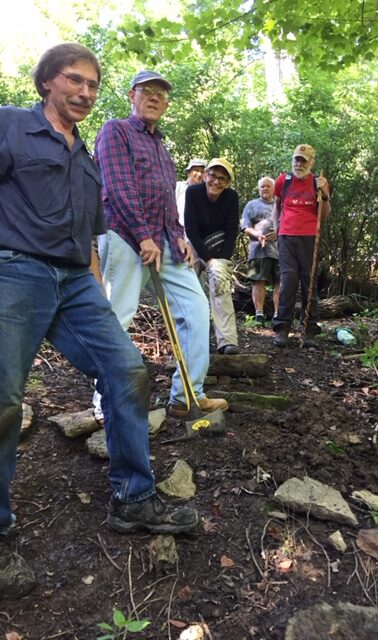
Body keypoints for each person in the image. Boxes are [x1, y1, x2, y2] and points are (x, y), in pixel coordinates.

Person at [0, 44, 198, 600]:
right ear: (45, 82)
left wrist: (95, 286)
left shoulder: (87, 161)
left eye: (92, 84)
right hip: (15, 271)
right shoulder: (11, 127)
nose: (85, 92)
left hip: (75, 281)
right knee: (4, 399)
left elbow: (91, 236)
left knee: (128, 371)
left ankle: (134, 498)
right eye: (74, 80)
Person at [93, 71, 227, 420]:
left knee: (197, 310)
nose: (154, 97)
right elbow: (118, 188)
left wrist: (179, 235)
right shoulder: (115, 131)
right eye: (146, 91)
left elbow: (168, 200)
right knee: (118, 316)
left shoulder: (161, 147)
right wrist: (142, 235)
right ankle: (105, 405)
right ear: (131, 95)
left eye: (160, 94)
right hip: (125, 236)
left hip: (165, 241)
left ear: (166, 105)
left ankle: (187, 395)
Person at [271, 144, 331, 348]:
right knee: (288, 280)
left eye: (303, 160)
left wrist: (324, 194)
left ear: (311, 162)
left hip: (309, 238)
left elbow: (324, 215)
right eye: (296, 159)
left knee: (309, 282)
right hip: (286, 237)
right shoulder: (283, 181)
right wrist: (277, 229)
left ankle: (309, 330)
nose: (299, 163)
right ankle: (282, 328)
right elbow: (277, 207)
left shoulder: (319, 182)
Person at [184, 158, 240, 355]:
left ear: (228, 183)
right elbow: (190, 229)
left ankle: (227, 340)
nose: (216, 182)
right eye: (213, 176)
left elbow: (232, 231)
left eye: (222, 179)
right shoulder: (193, 193)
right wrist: (208, 260)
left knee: (221, 283)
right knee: (187, 285)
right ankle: (189, 339)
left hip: (219, 249)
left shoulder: (232, 197)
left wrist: (221, 262)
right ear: (206, 175)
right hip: (195, 245)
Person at [241, 176, 280, 326]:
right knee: (258, 281)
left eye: (268, 186)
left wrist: (278, 232)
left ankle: (278, 315)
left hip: (279, 250)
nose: (265, 189)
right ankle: (259, 315)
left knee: (280, 281)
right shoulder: (251, 205)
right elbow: (245, 226)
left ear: (274, 188)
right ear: (259, 189)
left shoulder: (280, 205)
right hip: (258, 250)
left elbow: (287, 224)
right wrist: (257, 234)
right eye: (262, 186)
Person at [175, 158, 207, 226]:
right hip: (177, 231)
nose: (199, 174)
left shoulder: (206, 193)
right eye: (196, 170)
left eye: (202, 171)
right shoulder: (178, 186)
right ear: (189, 172)